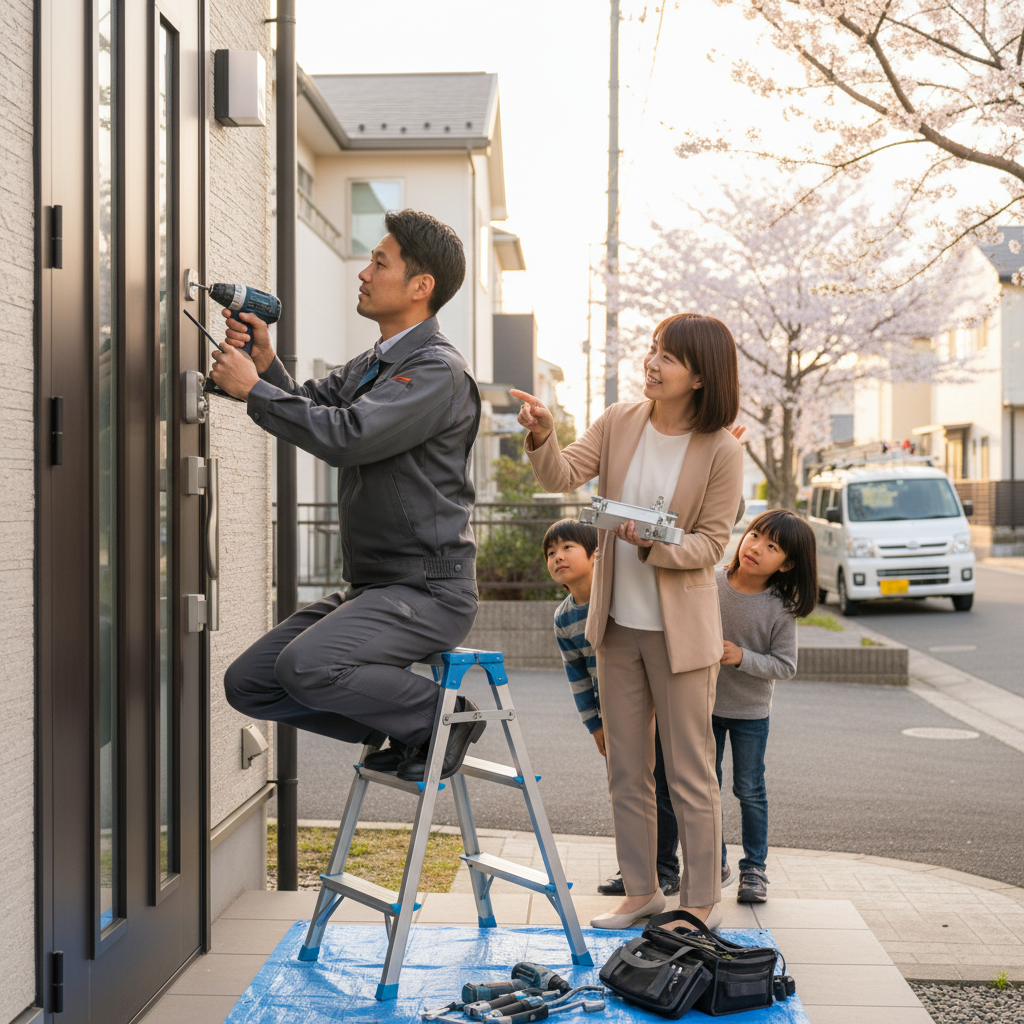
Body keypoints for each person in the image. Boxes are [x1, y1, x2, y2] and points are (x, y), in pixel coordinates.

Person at [213, 209, 484, 782]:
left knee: (308, 665)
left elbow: (346, 436)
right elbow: (311, 404)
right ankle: (397, 719)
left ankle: (442, 717)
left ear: (420, 287)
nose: (363, 272)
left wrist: (255, 387)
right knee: (251, 683)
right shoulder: (374, 364)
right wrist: (264, 363)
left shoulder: (437, 372)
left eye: (379, 262)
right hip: (375, 587)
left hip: (429, 588)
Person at [513, 312, 744, 932]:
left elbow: (712, 545)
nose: (652, 362)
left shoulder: (722, 448)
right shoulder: (619, 421)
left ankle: (699, 902)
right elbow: (563, 474)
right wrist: (542, 434)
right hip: (614, 626)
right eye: (652, 349)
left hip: (680, 636)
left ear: (700, 375)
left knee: (689, 772)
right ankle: (641, 890)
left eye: (667, 356)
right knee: (625, 768)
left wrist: (652, 542)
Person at [543, 518, 681, 897]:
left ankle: (666, 868)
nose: (557, 557)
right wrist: (595, 726)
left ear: (595, 553)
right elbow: (578, 679)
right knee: (626, 789)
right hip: (613, 717)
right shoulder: (563, 617)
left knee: (662, 788)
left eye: (567, 548)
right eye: (550, 553)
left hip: (650, 706)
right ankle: (635, 870)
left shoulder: (620, 595)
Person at [715, 509, 816, 903]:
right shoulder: (710, 581)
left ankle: (754, 870)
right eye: (755, 535)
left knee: (749, 790)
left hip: (750, 714)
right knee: (705, 789)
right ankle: (714, 861)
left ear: (787, 563)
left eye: (771, 546)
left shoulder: (780, 608)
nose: (755, 547)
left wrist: (742, 656)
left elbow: (786, 666)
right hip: (702, 706)